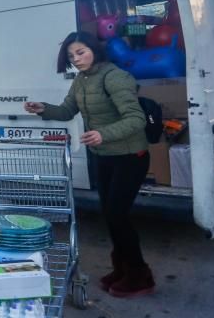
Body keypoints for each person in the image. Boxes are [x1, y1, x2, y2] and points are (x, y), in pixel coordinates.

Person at [23, 31, 154, 297]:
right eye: (72, 56)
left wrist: (103, 133)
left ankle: (140, 274)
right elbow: (67, 110)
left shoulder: (115, 77)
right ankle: (122, 269)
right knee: (111, 214)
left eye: (81, 52)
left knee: (118, 214)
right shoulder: (81, 81)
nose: (77, 59)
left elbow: (136, 119)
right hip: (104, 155)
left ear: (94, 49)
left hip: (131, 156)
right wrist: (43, 108)